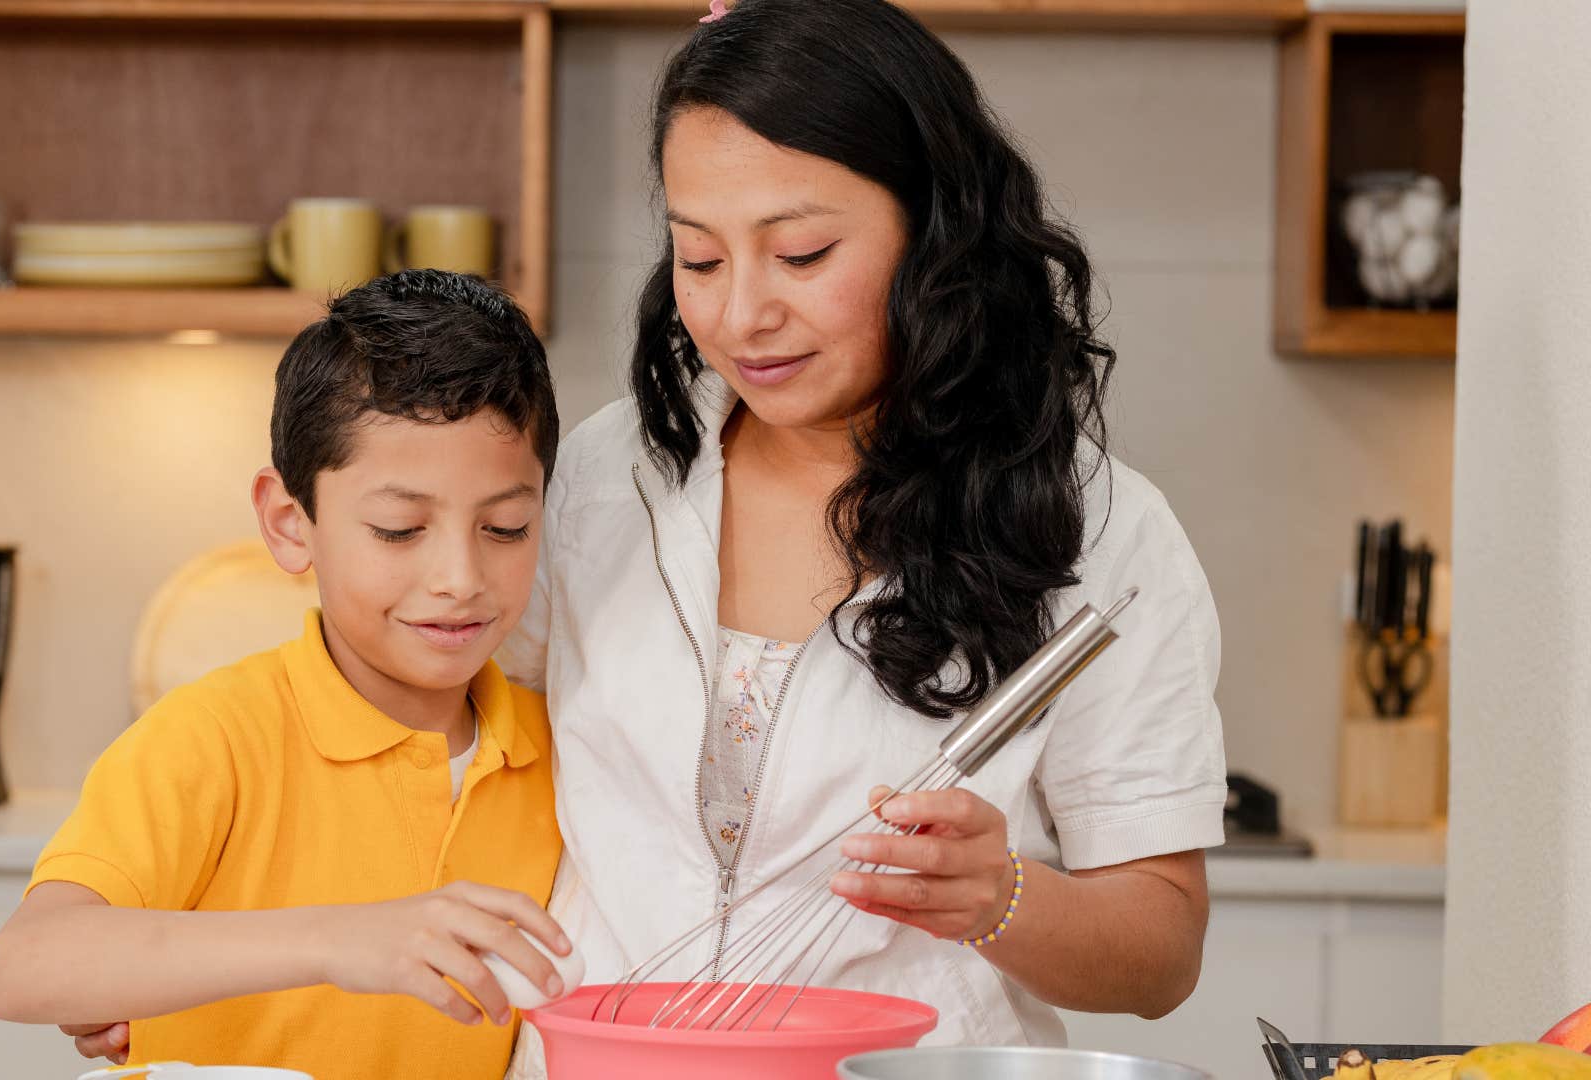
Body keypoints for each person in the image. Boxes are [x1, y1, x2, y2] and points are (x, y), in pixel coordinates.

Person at [496, 0, 1225, 1071]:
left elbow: (1161, 952)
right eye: (700, 261)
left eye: (800, 253)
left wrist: (1000, 897)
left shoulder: (1097, 530)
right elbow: (443, 763)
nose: (743, 315)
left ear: (936, 231)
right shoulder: (604, 484)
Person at [0, 269, 571, 1080]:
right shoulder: (214, 737)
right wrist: (338, 938)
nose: (460, 577)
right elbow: (26, 966)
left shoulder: (562, 752)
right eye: (400, 530)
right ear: (291, 524)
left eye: (506, 527)